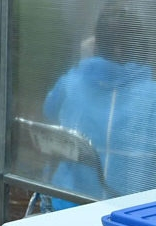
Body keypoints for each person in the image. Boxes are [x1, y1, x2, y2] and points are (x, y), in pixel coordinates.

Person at [42, 0, 156, 211]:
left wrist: (83, 62)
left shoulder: (71, 83)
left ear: (95, 43)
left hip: (66, 209)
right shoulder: (151, 96)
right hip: (133, 215)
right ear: (142, 46)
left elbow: (49, 110)